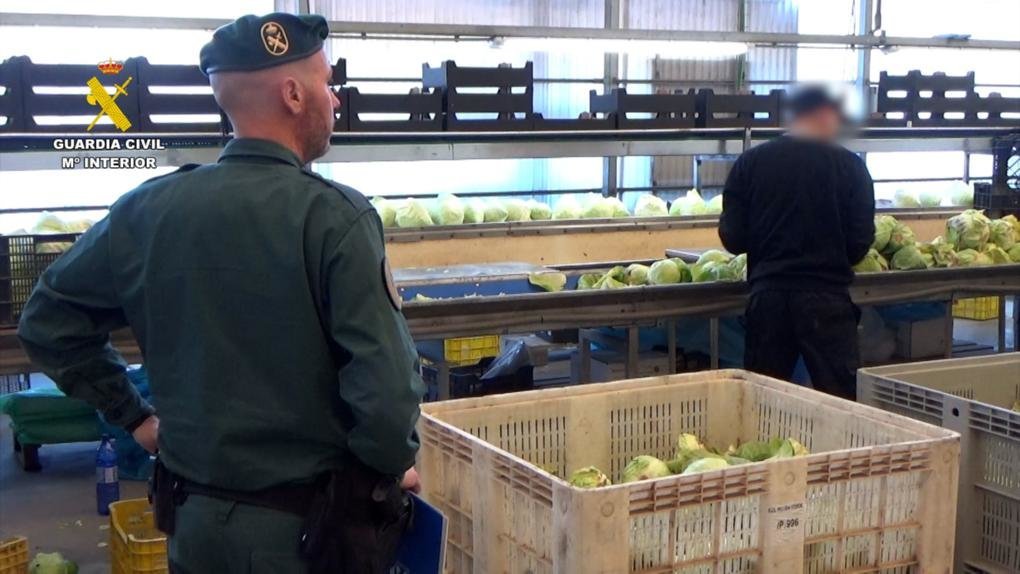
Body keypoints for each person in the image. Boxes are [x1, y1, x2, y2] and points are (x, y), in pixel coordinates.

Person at [18, 13, 425, 574]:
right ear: (292, 94)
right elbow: (387, 394)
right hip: (308, 535)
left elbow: (47, 321)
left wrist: (134, 415)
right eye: (326, 84)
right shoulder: (336, 219)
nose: (334, 101)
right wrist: (384, 470)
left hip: (192, 525)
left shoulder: (147, 210)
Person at [718, 86, 875, 399]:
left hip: (769, 299)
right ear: (826, 115)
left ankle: (764, 447)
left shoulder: (750, 163)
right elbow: (859, 243)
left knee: (762, 399)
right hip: (827, 300)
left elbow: (733, 239)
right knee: (842, 402)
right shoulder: (851, 167)